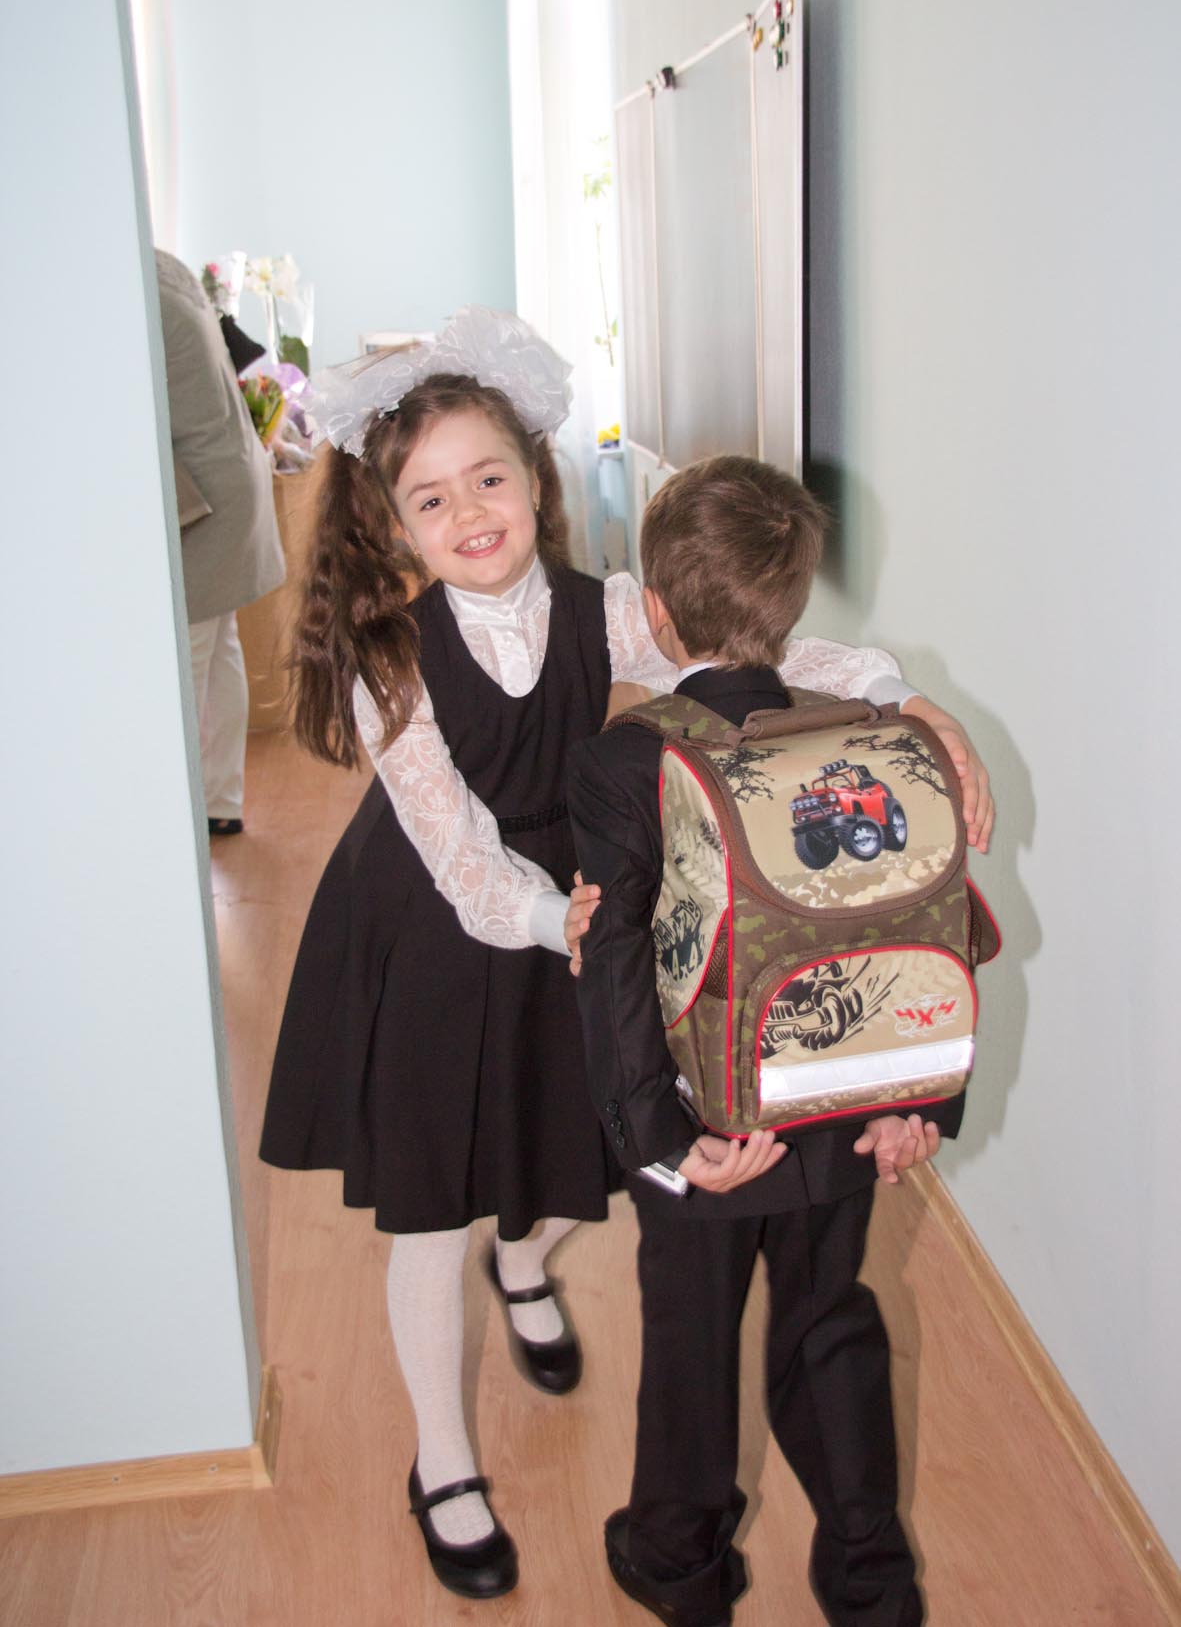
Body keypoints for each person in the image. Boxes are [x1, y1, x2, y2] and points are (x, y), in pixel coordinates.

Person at [258, 309, 990, 1603]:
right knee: (434, 1205)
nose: (469, 512)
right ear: (397, 524)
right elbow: (463, 860)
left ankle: (525, 1263)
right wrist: (562, 919)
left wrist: (901, 692)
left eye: (489, 477)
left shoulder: (604, 609)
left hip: (585, 893)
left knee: (572, 1140)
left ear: (533, 479)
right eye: (432, 497)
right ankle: (441, 1462)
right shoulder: (392, 660)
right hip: (440, 922)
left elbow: (762, 650)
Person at [567, 455, 993, 1627]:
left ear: (656, 611)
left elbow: (615, 965)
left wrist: (663, 1146)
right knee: (829, 1320)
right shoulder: (863, 738)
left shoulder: (623, 760)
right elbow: (910, 920)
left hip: (709, 1124)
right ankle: (870, 1575)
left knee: (691, 1338)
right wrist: (913, 1105)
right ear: (792, 606)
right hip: (843, 1110)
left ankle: (679, 1560)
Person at [156, 250, 285, 836]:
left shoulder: (143, 295)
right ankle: (219, 800)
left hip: (207, 491)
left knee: (187, 660)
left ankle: (181, 817)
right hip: (231, 471)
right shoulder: (170, 274)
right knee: (216, 646)